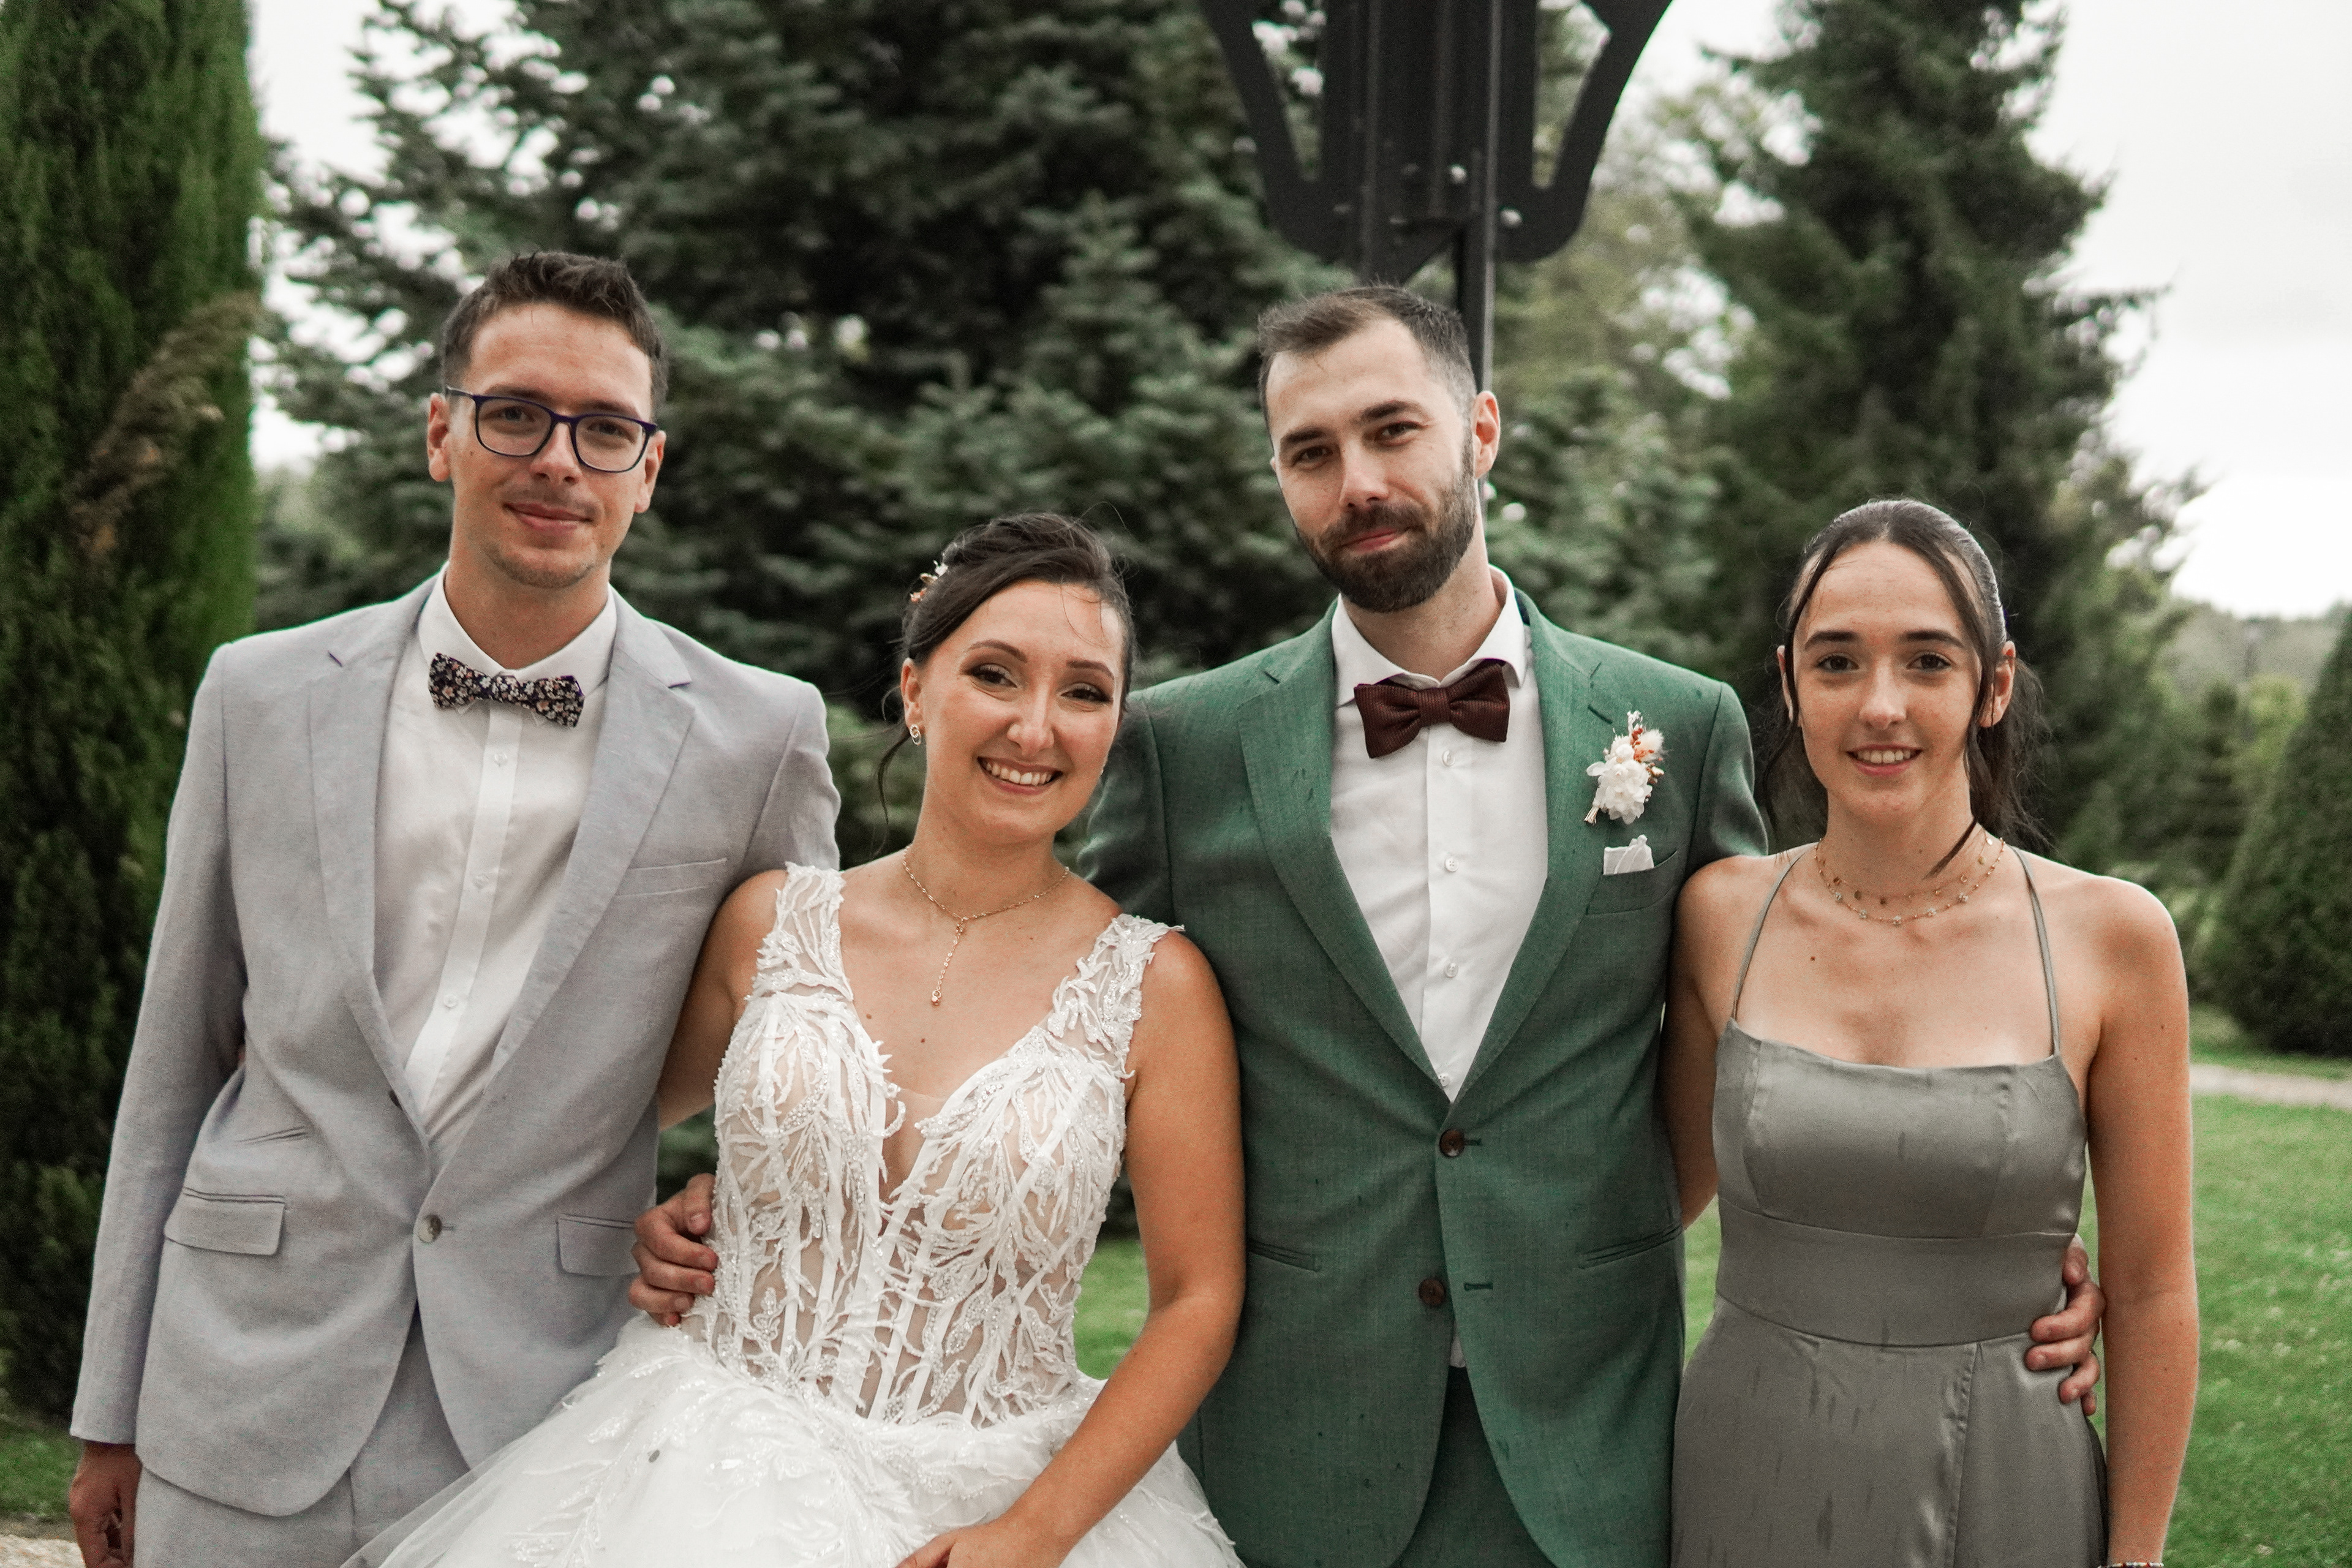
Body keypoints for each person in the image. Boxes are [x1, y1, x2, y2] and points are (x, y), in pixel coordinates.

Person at [633, 287, 2106, 1565]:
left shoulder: (1678, 724)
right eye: (1311, 451)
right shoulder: (1186, 743)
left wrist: (1949, 1244)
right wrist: (789, 1174)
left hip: (1583, 1427)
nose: (1359, 480)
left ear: (1481, 430)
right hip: (1297, 1432)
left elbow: (1778, 1022)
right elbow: (1042, 987)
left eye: (1393, 431)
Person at [64, 251, 840, 1568]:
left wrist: (720, 1200)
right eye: (516, 414)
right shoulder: (257, 695)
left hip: (542, 1405)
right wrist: (108, 1411)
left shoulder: (759, 735)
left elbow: (806, 1065)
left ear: (649, 468)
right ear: (442, 434)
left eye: (605, 430)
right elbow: (174, 1059)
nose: (560, 461)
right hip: (238, 1385)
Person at [351, 513, 1247, 1567]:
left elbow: (1198, 1299)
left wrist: (1034, 1533)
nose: (1035, 726)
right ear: (917, 692)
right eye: (994, 675)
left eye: (1084, 692)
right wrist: (670, 1218)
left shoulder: (1157, 985)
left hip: (1006, 1499)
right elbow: (586, 1130)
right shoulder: (769, 924)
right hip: (704, 1479)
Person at [1661, 499, 2198, 1567]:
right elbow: (1645, 1205)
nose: (1881, 706)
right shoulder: (1719, 917)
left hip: (2006, 1476)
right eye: (1838, 663)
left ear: (1993, 686)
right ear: (1789, 684)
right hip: (1746, 1470)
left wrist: (2136, 1560)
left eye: (1928, 662)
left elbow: (2151, 1292)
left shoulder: (2113, 939)